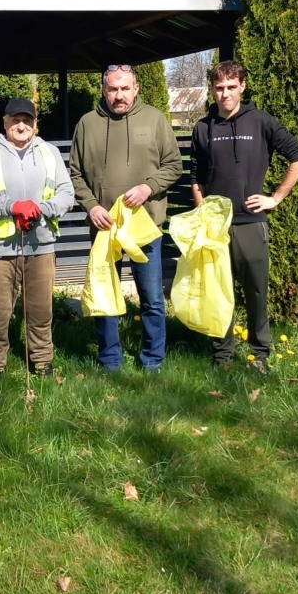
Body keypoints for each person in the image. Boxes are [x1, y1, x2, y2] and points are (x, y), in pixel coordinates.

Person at [190, 60, 298, 373]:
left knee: (256, 292)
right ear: (212, 89)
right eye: (219, 88)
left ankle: (260, 355)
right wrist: (202, 210)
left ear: (242, 86)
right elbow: (196, 176)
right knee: (219, 292)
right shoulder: (202, 128)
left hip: (251, 224)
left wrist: (275, 198)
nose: (225, 94)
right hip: (216, 228)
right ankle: (222, 356)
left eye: (231, 87)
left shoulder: (261, 122)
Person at [70, 65, 184, 371]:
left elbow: (174, 165)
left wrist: (149, 187)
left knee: (151, 297)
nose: (118, 95)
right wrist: (91, 206)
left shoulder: (155, 119)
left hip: (144, 224)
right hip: (104, 225)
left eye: (124, 88)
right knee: (105, 293)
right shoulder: (87, 123)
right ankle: (110, 359)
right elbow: (76, 173)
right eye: (112, 89)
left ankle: (152, 360)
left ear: (136, 89)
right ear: (104, 90)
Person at [0, 97, 74, 380]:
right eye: (15, 120)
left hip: (41, 244)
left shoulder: (50, 152)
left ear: (35, 123)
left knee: (40, 312)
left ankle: (42, 363)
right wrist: (11, 207)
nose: (21, 125)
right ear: (5, 122)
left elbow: (67, 193)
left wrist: (41, 209)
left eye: (27, 120)